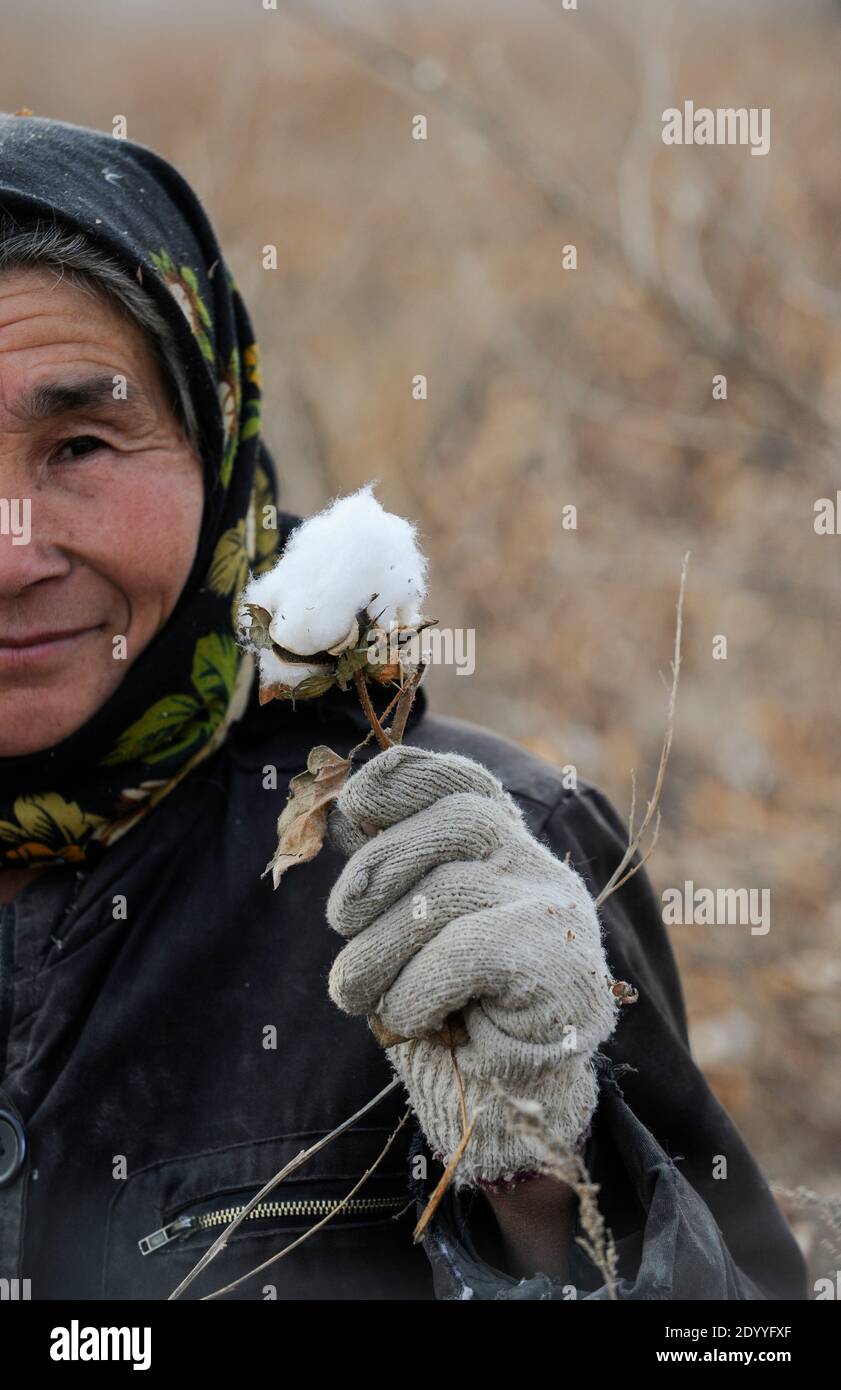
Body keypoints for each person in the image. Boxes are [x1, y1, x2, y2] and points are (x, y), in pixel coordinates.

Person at [0, 113, 806, 1302]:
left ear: (217, 442)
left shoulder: (473, 856)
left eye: (80, 443)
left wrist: (543, 1189)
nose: (14, 556)